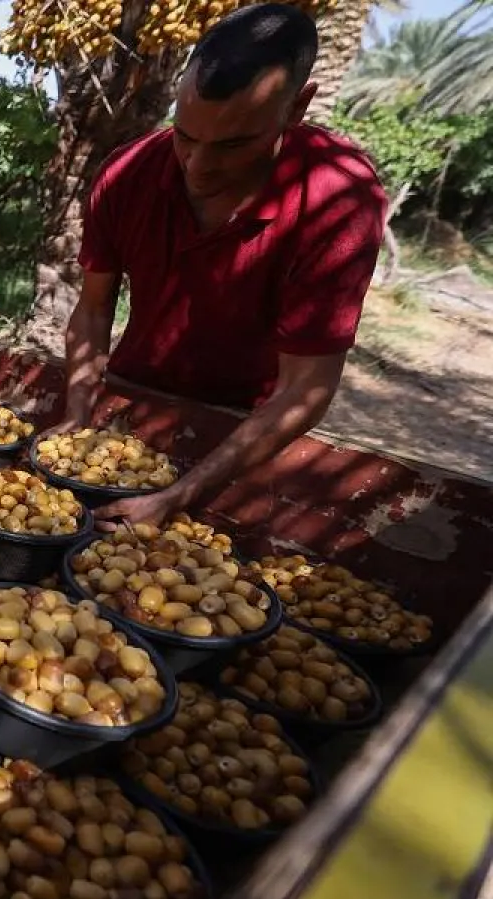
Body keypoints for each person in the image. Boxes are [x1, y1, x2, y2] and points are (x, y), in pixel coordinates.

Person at [59, 2, 387, 527]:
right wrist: (77, 411)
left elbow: (306, 388)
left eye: (233, 144)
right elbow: (94, 309)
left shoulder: (338, 199)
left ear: (297, 108)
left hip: (244, 437)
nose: (198, 166)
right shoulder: (127, 175)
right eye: (185, 136)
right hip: (127, 406)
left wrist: (179, 496)